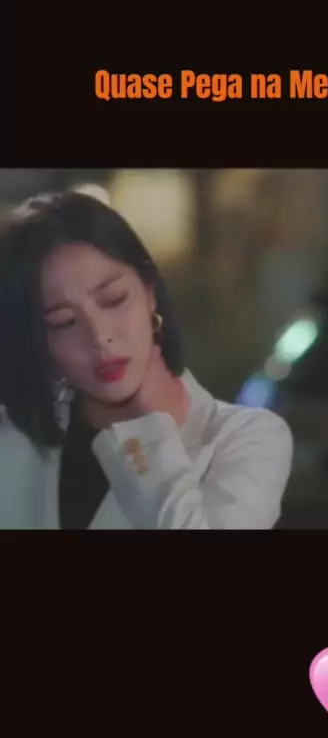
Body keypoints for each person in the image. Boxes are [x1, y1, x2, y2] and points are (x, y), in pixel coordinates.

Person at [0, 191, 293, 529]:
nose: (100, 337)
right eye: (63, 321)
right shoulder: (15, 437)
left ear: (150, 293)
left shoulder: (245, 437)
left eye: (114, 300)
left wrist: (148, 430)